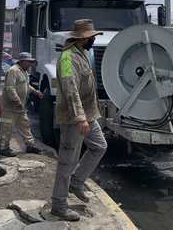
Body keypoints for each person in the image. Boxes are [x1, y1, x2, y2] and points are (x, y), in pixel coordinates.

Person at [50, 19, 108, 222]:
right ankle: (58, 205)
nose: (94, 39)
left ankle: (77, 182)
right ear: (83, 39)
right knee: (67, 160)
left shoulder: (82, 54)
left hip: (89, 115)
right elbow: (70, 89)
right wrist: (79, 117)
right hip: (75, 118)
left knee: (99, 146)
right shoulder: (67, 58)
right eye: (92, 37)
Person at [0, 52, 44, 157]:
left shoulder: (23, 71)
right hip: (10, 107)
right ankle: (3, 148)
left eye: (31, 62)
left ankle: (30, 145)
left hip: (20, 107)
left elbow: (26, 86)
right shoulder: (13, 71)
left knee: (25, 126)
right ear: (22, 61)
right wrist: (17, 101)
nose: (30, 64)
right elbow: (10, 88)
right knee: (7, 128)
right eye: (28, 62)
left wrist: (36, 92)